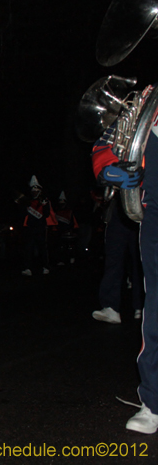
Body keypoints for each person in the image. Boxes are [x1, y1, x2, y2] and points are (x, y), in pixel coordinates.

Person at [93, 103, 157, 434]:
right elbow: (106, 143)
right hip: (155, 211)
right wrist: (108, 168)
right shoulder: (146, 100)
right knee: (156, 306)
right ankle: (153, 399)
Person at [91, 195, 144, 324]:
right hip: (119, 206)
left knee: (141, 260)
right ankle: (111, 307)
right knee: (114, 259)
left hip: (141, 206)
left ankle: (142, 305)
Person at [20, 175, 56, 276]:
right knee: (28, 248)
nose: (34, 192)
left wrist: (43, 206)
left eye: (36, 191)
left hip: (40, 228)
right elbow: (22, 214)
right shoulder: (27, 201)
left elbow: (46, 214)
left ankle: (45, 266)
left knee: (42, 248)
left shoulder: (45, 201)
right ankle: (27, 268)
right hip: (30, 227)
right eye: (33, 191)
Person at [53, 191, 79, 266]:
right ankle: (61, 260)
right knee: (60, 247)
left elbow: (73, 222)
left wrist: (73, 230)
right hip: (59, 232)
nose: (62, 204)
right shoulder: (57, 212)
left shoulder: (69, 211)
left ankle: (71, 257)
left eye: (63, 203)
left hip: (68, 231)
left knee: (70, 246)